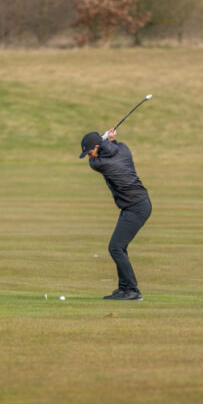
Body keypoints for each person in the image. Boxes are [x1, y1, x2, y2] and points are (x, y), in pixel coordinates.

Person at [79, 128, 151, 300]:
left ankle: (132, 291)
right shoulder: (124, 149)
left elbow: (94, 162)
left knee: (115, 248)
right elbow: (115, 148)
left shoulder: (100, 164)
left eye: (90, 152)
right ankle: (124, 288)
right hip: (137, 204)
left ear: (98, 147)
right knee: (120, 247)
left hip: (136, 207)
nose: (89, 156)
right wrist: (108, 141)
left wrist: (105, 140)